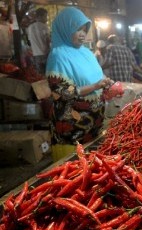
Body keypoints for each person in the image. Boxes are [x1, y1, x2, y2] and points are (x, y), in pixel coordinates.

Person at [46, 7, 113, 148]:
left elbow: (98, 75)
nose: (83, 34)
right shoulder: (58, 56)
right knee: (72, 167)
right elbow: (62, 93)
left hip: (95, 126)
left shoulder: (86, 53)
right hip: (72, 131)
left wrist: (106, 82)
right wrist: (95, 86)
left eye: (84, 30)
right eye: (78, 30)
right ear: (66, 29)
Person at [26, 7, 50, 75]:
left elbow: (30, 42)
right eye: (45, 16)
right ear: (40, 16)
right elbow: (48, 40)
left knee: (39, 74)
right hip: (45, 54)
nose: (46, 18)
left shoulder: (29, 27)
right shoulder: (44, 26)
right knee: (48, 73)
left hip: (36, 55)